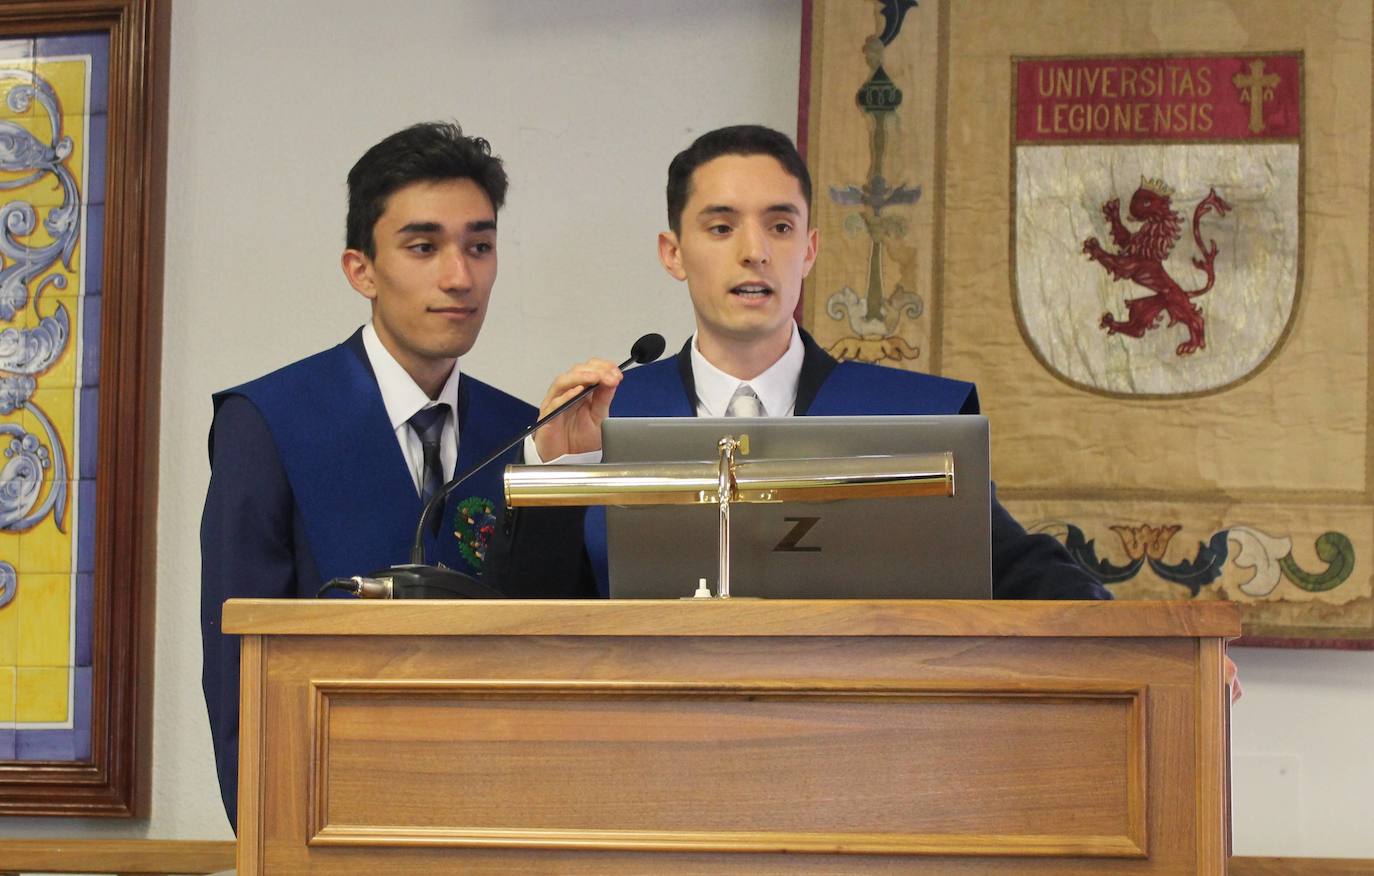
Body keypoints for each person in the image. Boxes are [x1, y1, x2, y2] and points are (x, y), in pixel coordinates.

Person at [485, 124, 1110, 603]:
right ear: (673, 252)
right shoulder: (604, 419)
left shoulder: (910, 418)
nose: (755, 252)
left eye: (780, 227)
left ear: (808, 249)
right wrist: (558, 470)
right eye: (722, 228)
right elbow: (523, 619)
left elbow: (1027, 579)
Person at [199, 122, 534, 827]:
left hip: (500, 817)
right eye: (423, 247)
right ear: (362, 270)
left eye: (479, 246)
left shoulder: (524, 435)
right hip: (331, 819)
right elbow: (239, 676)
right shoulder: (269, 421)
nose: (459, 276)